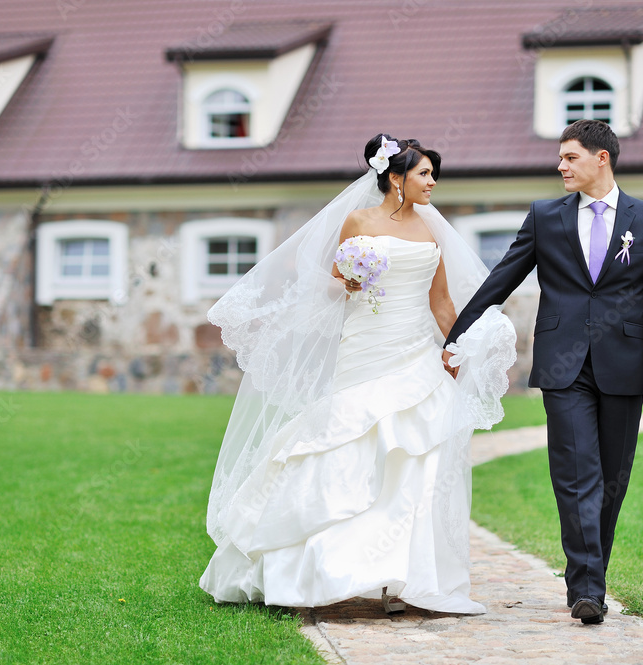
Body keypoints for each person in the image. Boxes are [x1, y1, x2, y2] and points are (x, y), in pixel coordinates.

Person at [200, 134, 516, 615]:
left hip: (414, 356)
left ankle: (397, 579)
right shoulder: (357, 221)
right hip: (363, 349)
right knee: (345, 446)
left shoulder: (433, 230)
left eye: (434, 174)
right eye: (424, 174)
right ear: (395, 178)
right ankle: (322, 571)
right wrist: (347, 280)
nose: (432, 182)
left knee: (413, 462)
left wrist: (457, 348)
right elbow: (332, 287)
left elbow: (442, 302)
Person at [443, 119, 643, 624]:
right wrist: (457, 336)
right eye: (560, 157)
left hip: (623, 366)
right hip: (562, 365)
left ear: (602, 158)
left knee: (612, 481)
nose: (561, 166)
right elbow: (502, 279)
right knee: (577, 476)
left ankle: (590, 574)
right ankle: (587, 589)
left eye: (571, 157)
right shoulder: (544, 217)